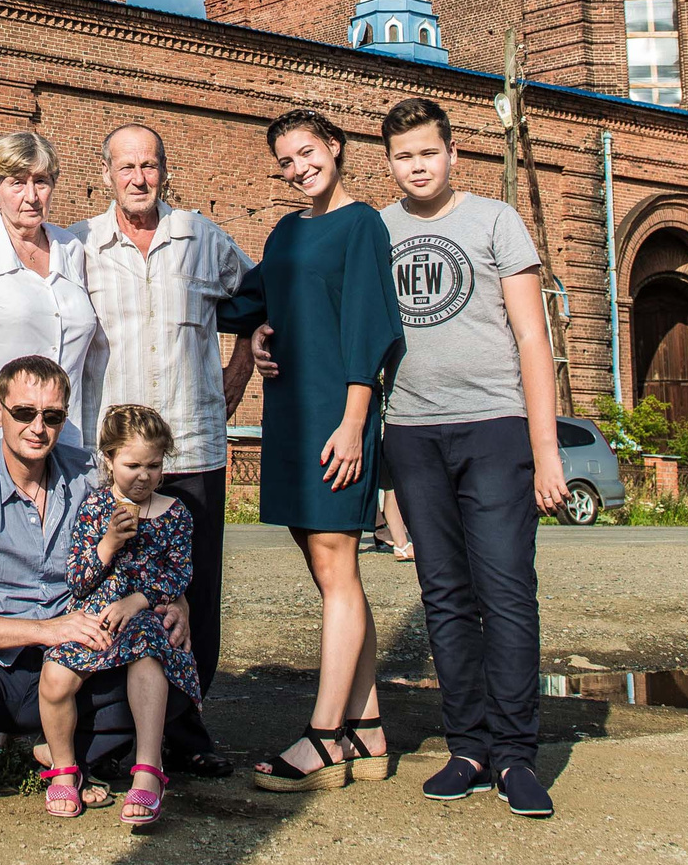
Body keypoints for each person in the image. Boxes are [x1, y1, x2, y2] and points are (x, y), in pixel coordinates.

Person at [374, 96, 569, 819]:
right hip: (414, 433)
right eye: (404, 156)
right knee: (445, 594)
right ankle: (469, 748)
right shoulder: (379, 230)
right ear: (389, 163)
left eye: (429, 152)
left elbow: (532, 338)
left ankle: (516, 754)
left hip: (494, 428)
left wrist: (546, 453)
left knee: (506, 591)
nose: (418, 166)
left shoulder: (495, 221)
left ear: (453, 153)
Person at [0, 356, 193, 811]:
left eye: (51, 416)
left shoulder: (90, 476)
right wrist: (44, 630)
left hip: (77, 659)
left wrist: (177, 601)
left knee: (169, 674)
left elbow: (148, 544)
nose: (38, 427)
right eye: (24, 412)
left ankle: (63, 754)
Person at [219, 108, 403, 793]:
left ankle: (326, 736)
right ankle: (369, 727)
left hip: (335, 411)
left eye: (307, 153)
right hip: (291, 412)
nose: (299, 169)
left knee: (337, 565)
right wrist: (256, 332)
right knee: (330, 571)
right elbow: (250, 302)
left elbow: (369, 326)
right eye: (287, 162)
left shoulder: (363, 225)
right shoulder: (286, 231)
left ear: (335, 146)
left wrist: (355, 422)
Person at [73, 122, 254, 777]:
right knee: (112, 586)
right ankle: (111, 732)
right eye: (126, 166)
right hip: (114, 460)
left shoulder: (202, 238)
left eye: (149, 165)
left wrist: (239, 371)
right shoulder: (83, 245)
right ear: (106, 173)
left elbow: (256, 301)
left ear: (165, 171)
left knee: (193, 594)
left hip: (191, 447)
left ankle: (186, 728)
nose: (138, 177)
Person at [41, 403, 199, 827]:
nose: (143, 476)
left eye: (153, 465)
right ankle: (63, 767)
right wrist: (109, 543)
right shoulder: (95, 507)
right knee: (55, 673)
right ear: (109, 461)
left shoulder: (175, 513)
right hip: (97, 616)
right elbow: (77, 579)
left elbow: (179, 574)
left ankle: (147, 769)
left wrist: (140, 600)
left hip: (146, 616)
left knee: (148, 653)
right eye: (132, 465)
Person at [0, 132, 98, 453]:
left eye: (41, 182)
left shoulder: (70, 247)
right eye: (17, 183)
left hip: (62, 439)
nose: (31, 196)